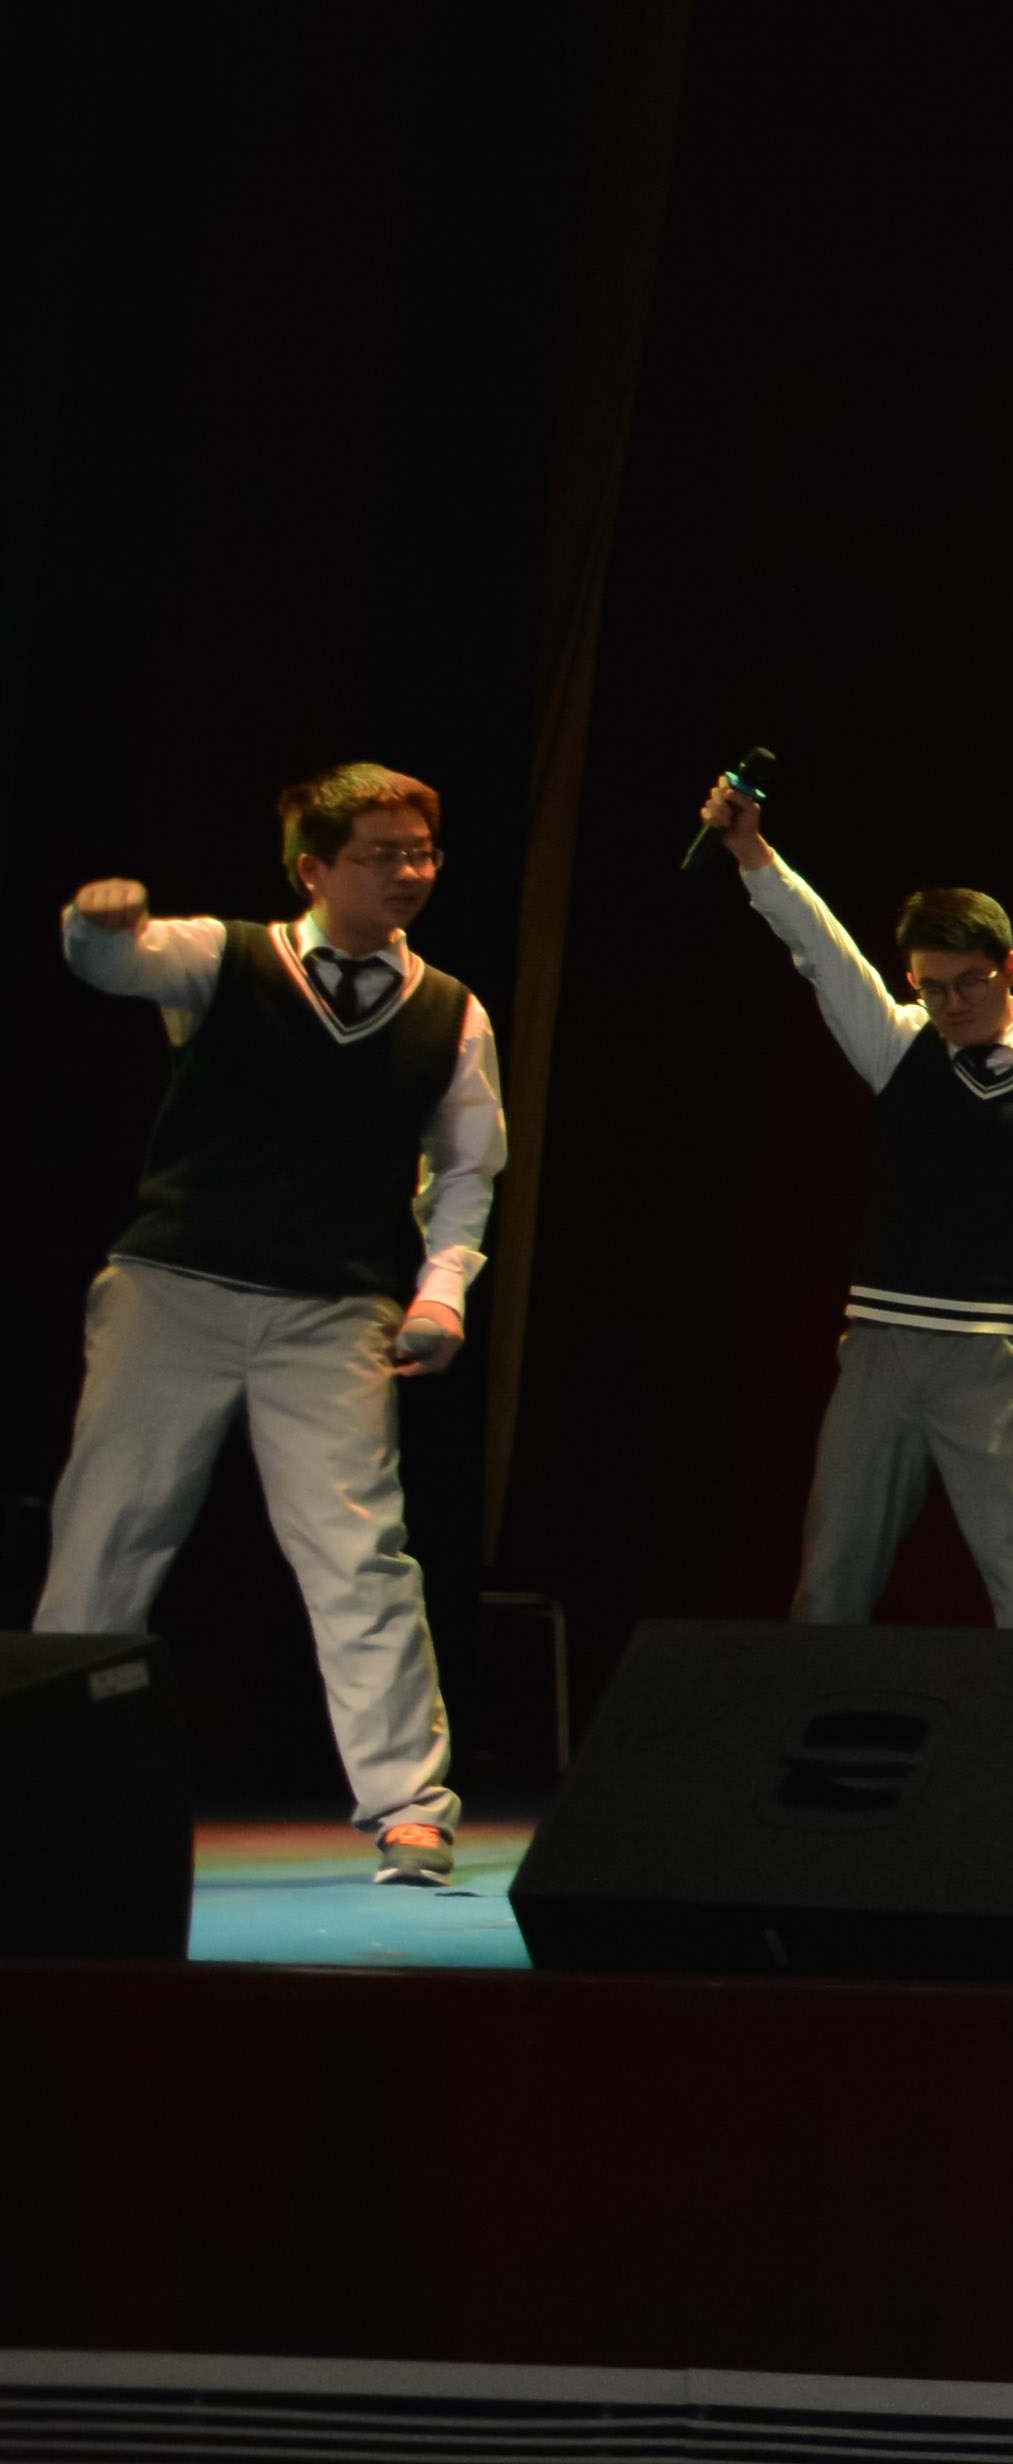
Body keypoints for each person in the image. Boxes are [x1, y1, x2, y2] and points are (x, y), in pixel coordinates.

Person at [37, 766, 495, 1883]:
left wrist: (442, 1292)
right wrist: (94, 924)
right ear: (314, 869)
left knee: (358, 1553)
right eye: (383, 854)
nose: (410, 872)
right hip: (175, 1288)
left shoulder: (451, 1008)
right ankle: (37, 1780)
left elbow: (466, 1169)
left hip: (332, 1307)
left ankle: (409, 1806)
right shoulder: (226, 955)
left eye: (422, 852)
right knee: (108, 1533)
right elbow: (116, 962)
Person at [703, 777, 1013, 1631]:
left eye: (968, 983)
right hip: (882, 1342)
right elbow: (822, 947)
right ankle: (814, 1717)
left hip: (998, 1350)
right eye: (930, 987)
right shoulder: (900, 1044)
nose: (950, 1004)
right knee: (832, 1572)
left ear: (1010, 967)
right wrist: (751, 851)